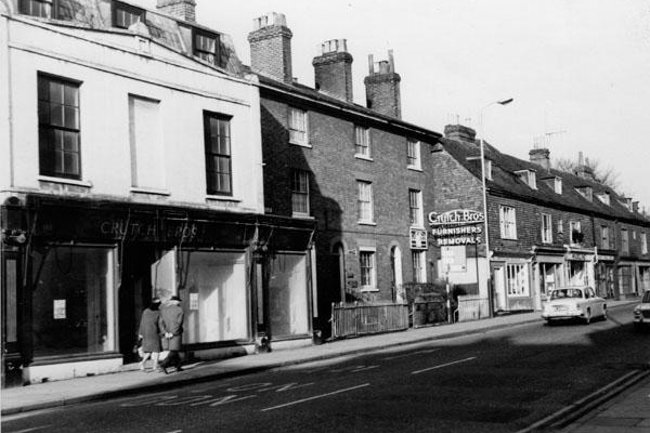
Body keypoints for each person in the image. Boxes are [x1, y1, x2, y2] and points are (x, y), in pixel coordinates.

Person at [158, 295, 184, 373]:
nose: (179, 302)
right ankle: (163, 364)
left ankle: (178, 366)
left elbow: (161, 322)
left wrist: (165, 332)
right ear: (176, 302)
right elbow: (179, 323)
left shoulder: (164, 310)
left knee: (174, 350)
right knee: (174, 351)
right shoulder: (179, 310)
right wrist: (173, 333)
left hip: (166, 334)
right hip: (175, 334)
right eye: (178, 301)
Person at [137, 297, 162, 372]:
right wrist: (162, 332)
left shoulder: (146, 311)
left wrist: (140, 333)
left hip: (146, 333)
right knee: (156, 350)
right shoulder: (158, 312)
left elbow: (142, 323)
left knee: (149, 350)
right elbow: (160, 324)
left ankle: (142, 363)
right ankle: (155, 367)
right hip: (154, 332)